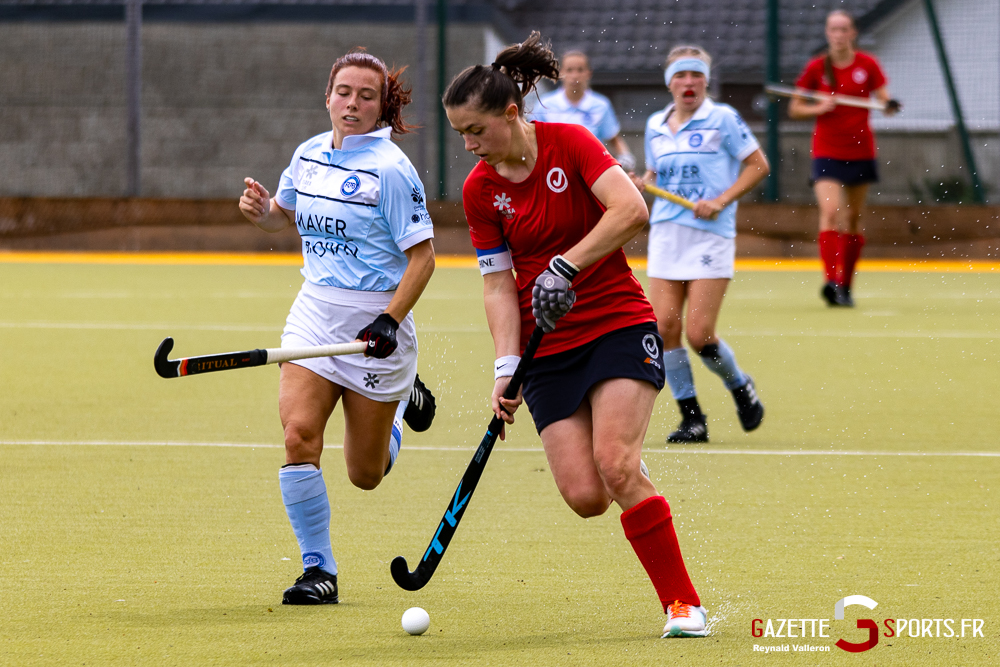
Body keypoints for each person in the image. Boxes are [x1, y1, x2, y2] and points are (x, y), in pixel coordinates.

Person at [444, 32, 708, 639]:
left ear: (512, 113)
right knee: (587, 496)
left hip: (616, 323)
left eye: (477, 130)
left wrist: (566, 265)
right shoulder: (480, 190)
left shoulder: (572, 143)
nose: (469, 145)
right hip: (546, 348)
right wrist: (505, 366)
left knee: (615, 466)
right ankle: (631, 479)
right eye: (460, 134)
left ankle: (683, 604)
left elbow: (631, 210)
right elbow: (497, 285)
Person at [238, 50, 437, 606]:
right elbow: (284, 215)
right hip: (314, 315)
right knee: (299, 435)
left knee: (365, 474)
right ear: (327, 96)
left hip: (377, 324)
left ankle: (401, 402)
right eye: (344, 92)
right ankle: (318, 570)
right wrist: (264, 212)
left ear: (382, 107)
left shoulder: (391, 169)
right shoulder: (307, 155)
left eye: (366, 96)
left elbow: (423, 259)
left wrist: (390, 320)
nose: (353, 104)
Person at [630, 46, 770, 444]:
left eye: (696, 75)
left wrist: (721, 200)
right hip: (667, 233)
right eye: (680, 75)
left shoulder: (722, 118)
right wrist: (642, 182)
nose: (688, 82)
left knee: (699, 334)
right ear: (669, 82)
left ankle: (740, 385)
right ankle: (692, 417)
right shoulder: (656, 124)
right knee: (664, 328)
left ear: (706, 81)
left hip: (710, 234)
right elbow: (656, 172)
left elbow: (758, 165)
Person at [789, 10, 899, 307]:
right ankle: (831, 281)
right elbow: (795, 108)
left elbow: (883, 99)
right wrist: (819, 107)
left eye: (843, 29)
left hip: (861, 150)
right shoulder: (816, 67)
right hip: (827, 150)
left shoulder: (868, 64)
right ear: (827, 33)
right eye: (833, 30)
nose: (838, 35)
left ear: (853, 33)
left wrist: (889, 105)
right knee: (830, 212)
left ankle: (846, 286)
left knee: (852, 219)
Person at [528, 50, 637, 172]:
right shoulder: (544, 104)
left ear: (589, 73)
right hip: (554, 171)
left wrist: (626, 157)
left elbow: (614, 139)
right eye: (569, 70)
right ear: (560, 73)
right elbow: (531, 139)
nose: (575, 76)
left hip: (592, 171)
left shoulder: (601, 105)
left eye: (580, 70)